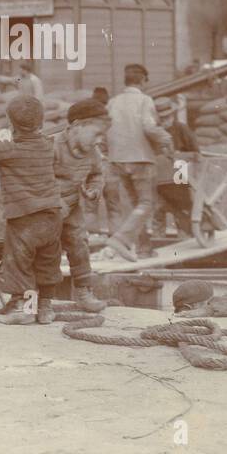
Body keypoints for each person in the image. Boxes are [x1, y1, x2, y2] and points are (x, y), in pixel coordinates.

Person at [0, 94, 63, 325]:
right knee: (47, 260)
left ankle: (23, 308)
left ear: (11, 125)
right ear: (41, 124)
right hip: (52, 214)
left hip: (24, 217)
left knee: (21, 262)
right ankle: (45, 308)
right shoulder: (48, 147)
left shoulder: (10, 150)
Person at [105, 63, 173, 260]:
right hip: (140, 158)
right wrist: (166, 139)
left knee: (136, 205)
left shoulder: (113, 102)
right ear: (143, 81)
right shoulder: (145, 100)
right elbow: (149, 127)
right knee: (146, 203)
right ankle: (121, 239)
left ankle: (144, 249)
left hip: (118, 159)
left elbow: (106, 128)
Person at [51, 99, 111, 313]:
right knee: (47, 252)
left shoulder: (92, 152)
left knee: (79, 245)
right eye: (96, 134)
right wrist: (52, 201)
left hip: (72, 206)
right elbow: (38, 178)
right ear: (76, 127)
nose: (99, 140)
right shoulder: (53, 146)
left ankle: (84, 292)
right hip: (48, 209)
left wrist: (94, 190)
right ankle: (40, 297)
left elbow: (96, 174)